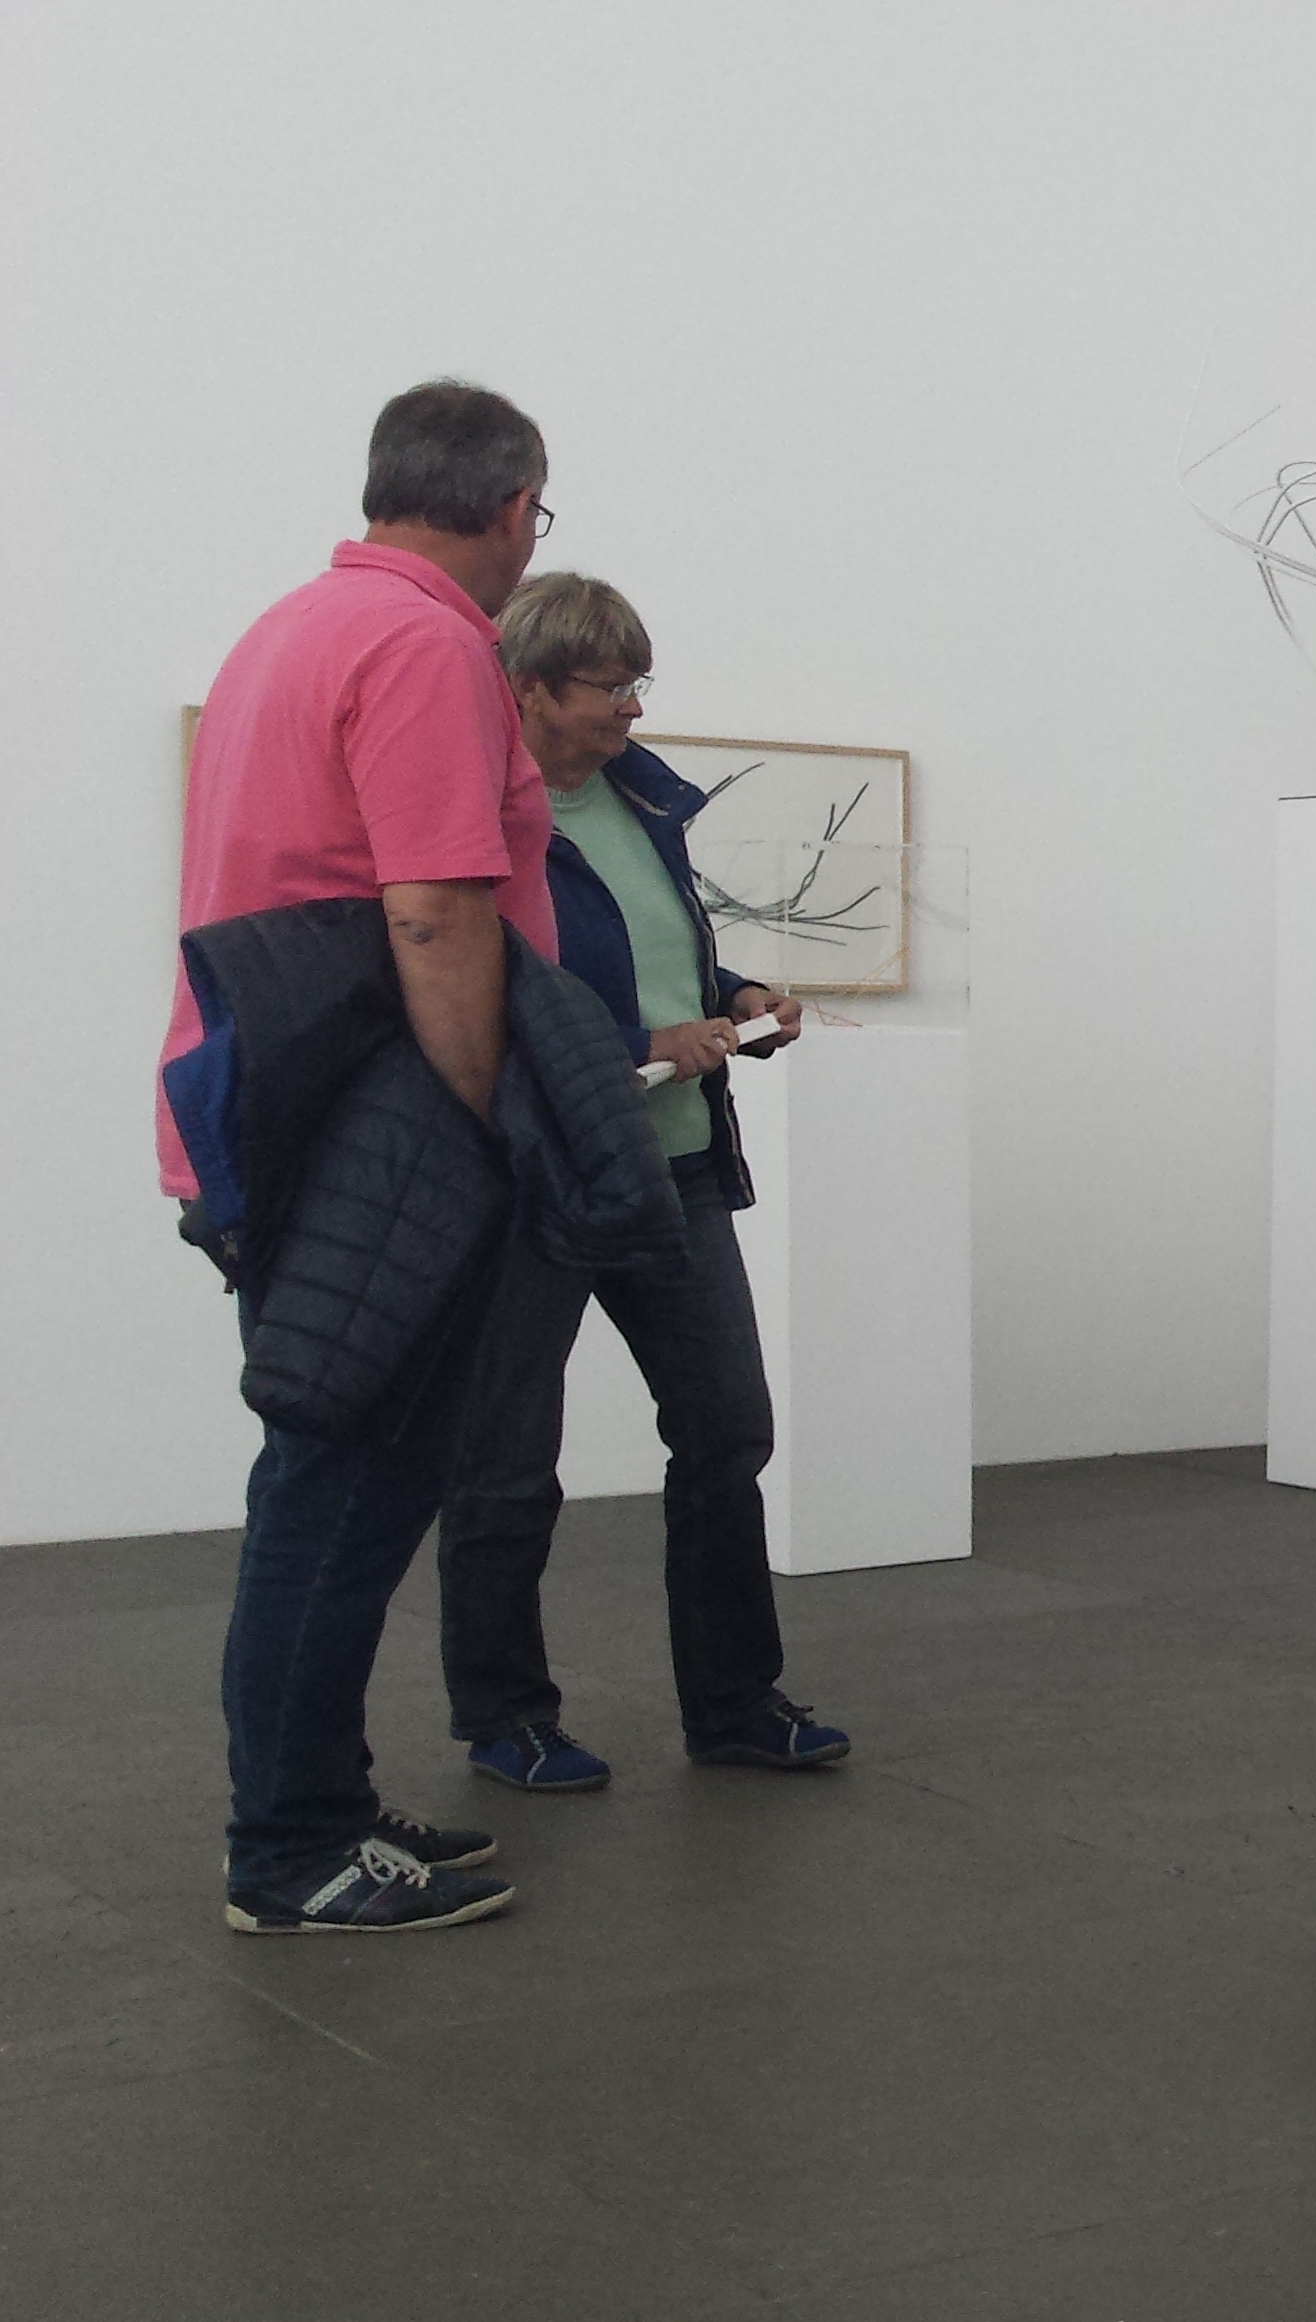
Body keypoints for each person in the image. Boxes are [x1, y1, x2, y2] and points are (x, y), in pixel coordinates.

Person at [158, 381, 557, 1933]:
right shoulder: (426, 644)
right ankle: (288, 1846)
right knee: (342, 1490)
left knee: (328, 1478)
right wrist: (472, 1128)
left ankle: (319, 1797)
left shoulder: (292, 628)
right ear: (512, 506)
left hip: (272, 1112)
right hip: (368, 1137)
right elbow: (438, 909)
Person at [429, 573, 846, 1794]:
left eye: (637, 682)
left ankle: (733, 1704)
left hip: (673, 1164)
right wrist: (639, 1043)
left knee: (727, 1427)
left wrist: (731, 998)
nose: (633, 708)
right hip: (537, 1177)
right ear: (532, 688)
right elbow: (469, 1004)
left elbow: (654, 960)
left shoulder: (639, 802)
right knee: (509, 1458)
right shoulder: (477, 812)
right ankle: (506, 1717)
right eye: (611, 686)